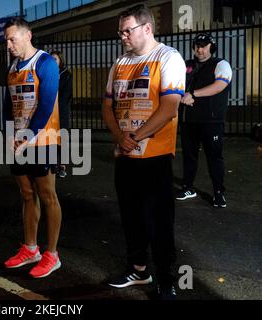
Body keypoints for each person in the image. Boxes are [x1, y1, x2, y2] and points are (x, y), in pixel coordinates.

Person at [101, 4, 185, 299]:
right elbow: (107, 106)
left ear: (147, 29)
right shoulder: (119, 63)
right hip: (126, 155)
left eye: (128, 30)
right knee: (130, 216)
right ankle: (138, 270)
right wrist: (119, 137)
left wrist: (133, 136)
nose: (122, 35)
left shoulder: (168, 57)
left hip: (155, 156)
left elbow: (170, 107)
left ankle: (166, 279)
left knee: (160, 221)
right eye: (120, 31)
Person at [3, 18, 62, 278]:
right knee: (26, 194)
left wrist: (26, 134)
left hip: (43, 140)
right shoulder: (13, 67)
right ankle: (30, 248)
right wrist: (8, 134)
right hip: (19, 140)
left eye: (12, 39)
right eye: (6, 40)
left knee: (47, 195)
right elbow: (8, 105)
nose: (8, 44)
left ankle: (52, 254)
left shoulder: (45, 62)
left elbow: (47, 104)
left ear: (28, 36)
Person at [176, 33, 233, 208]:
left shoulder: (221, 64)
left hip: (211, 121)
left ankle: (218, 193)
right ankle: (188, 187)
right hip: (188, 120)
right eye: (197, 45)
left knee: (214, 158)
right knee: (189, 156)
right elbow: (175, 84)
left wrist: (193, 94)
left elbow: (219, 86)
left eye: (204, 45)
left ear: (211, 47)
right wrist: (181, 96)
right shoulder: (186, 65)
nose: (200, 49)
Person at [51, 50, 73, 178]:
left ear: (60, 61)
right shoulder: (48, 74)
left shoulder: (66, 75)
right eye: (51, 59)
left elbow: (66, 96)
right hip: (50, 112)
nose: (53, 61)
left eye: (55, 59)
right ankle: (53, 164)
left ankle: (62, 166)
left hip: (61, 112)